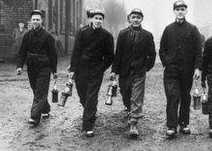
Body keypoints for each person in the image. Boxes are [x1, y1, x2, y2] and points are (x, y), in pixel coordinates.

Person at [159, 0, 202, 138]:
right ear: (174, 11)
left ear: (186, 11)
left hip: (187, 70)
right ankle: (171, 126)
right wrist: (167, 62)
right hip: (171, 71)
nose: (180, 11)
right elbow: (162, 49)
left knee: (185, 96)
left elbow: (198, 51)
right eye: (177, 9)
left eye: (182, 9)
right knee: (172, 96)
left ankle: (184, 123)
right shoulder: (168, 29)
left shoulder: (193, 29)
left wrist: (197, 68)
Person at [110, 8, 156, 138]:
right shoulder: (123, 34)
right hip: (124, 71)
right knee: (125, 93)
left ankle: (133, 124)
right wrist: (114, 70)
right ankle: (129, 109)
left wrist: (145, 67)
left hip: (139, 71)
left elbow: (152, 55)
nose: (136, 19)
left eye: (138, 17)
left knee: (136, 96)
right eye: (133, 17)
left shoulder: (147, 35)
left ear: (142, 19)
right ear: (129, 18)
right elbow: (118, 54)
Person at [69, 9, 114, 137]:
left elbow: (110, 56)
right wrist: (73, 69)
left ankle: (88, 126)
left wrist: (101, 68)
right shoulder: (82, 32)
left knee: (91, 96)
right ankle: (90, 112)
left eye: (100, 19)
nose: (98, 21)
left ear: (103, 20)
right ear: (91, 19)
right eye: (96, 18)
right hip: (81, 69)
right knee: (83, 95)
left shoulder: (107, 36)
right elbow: (76, 52)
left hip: (96, 70)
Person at [16, 10, 58, 126]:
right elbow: (22, 52)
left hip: (44, 66)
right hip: (31, 66)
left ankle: (34, 117)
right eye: (33, 19)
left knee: (40, 91)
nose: (35, 22)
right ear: (30, 21)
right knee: (35, 88)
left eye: (37, 20)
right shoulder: (27, 35)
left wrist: (54, 70)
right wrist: (19, 66)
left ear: (41, 21)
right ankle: (45, 109)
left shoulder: (47, 36)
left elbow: (53, 54)